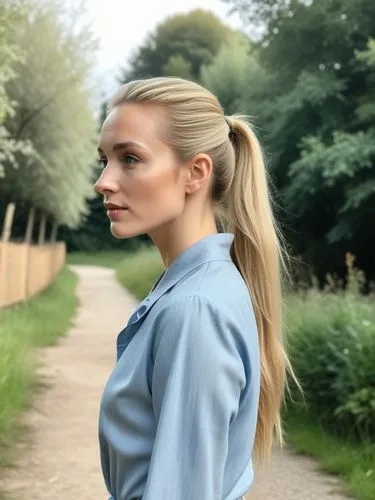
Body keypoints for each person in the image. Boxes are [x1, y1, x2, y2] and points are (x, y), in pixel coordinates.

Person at [95, 77, 289, 500]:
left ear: (195, 173)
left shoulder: (195, 308)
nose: (104, 181)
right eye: (105, 159)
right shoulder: (200, 287)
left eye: (129, 158)